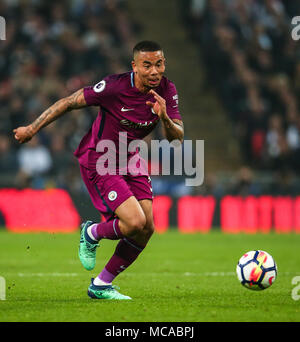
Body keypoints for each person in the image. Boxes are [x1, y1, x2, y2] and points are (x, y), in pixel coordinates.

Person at [13, 40, 184, 300]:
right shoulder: (115, 87)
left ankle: (101, 285)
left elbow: (177, 137)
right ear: (134, 66)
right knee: (134, 222)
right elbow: (69, 102)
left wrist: (164, 117)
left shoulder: (166, 89)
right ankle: (91, 232)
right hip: (101, 158)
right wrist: (32, 129)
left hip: (131, 158)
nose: (154, 71)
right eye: (146, 65)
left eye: (158, 64)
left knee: (147, 227)